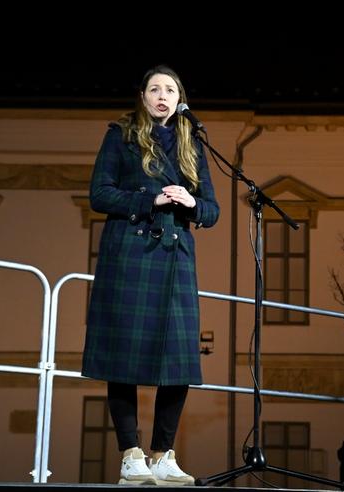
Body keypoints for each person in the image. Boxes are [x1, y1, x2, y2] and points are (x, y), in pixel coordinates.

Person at [82, 65, 219, 486]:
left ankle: (163, 455)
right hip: (130, 254)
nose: (163, 96)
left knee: (179, 360)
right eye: (155, 89)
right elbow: (99, 194)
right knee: (122, 357)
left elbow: (212, 210)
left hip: (176, 258)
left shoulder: (192, 142)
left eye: (170, 90)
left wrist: (191, 202)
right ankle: (131, 454)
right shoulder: (121, 135)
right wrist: (151, 199)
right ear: (142, 96)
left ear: (180, 99)